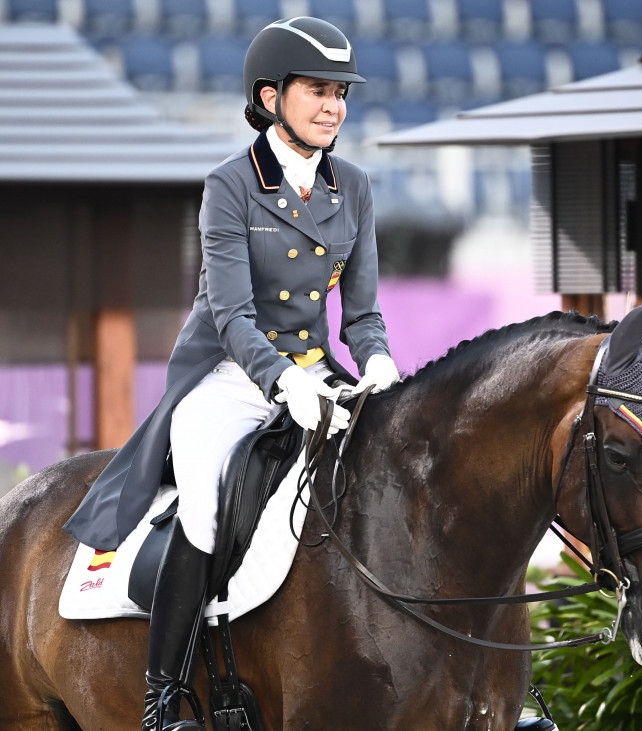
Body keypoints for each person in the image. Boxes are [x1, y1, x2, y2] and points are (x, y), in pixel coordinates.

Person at [63, 17, 400, 730]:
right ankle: (161, 698)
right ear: (271, 97)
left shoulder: (356, 187)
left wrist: (376, 362)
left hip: (319, 374)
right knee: (207, 501)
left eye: (340, 93)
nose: (334, 106)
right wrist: (284, 383)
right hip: (230, 376)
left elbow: (361, 313)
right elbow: (232, 315)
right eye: (317, 91)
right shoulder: (229, 187)